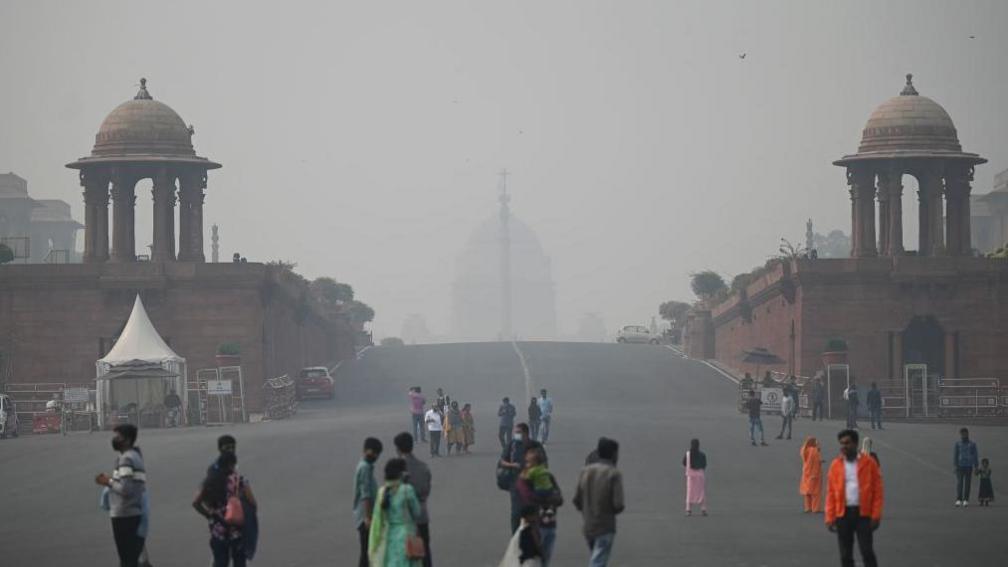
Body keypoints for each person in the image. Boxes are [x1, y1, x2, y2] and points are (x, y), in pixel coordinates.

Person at [825, 429, 883, 567]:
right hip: (843, 514)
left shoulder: (869, 464)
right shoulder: (835, 465)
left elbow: (877, 492)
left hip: (863, 514)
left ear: (856, 444)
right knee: (845, 555)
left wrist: (876, 515)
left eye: (847, 443)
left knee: (867, 551)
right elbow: (831, 493)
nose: (844, 446)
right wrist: (829, 517)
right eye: (842, 443)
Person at [95, 424, 147, 567]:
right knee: (131, 558)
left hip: (125, 514)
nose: (115, 440)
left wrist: (108, 481)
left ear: (128, 440)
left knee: (127, 559)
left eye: (118, 437)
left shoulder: (126, 459)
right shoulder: (135, 456)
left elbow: (125, 489)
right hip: (133, 512)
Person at [193, 452, 257, 567]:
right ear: (231, 465)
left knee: (220, 562)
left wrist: (209, 515)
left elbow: (196, 503)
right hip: (237, 531)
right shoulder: (239, 480)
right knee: (239, 562)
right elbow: (253, 503)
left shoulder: (210, 481)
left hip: (218, 531)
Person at [573, 437, 624, 567]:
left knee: (597, 557)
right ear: (613, 454)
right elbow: (618, 504)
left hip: (588, 525)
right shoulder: (613, 473)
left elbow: (577, 500)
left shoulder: (585, 471)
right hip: (605, 525)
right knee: (599, 560)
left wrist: (587, 509)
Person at [368, 458, 423, 567]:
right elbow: (417, 512)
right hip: (406, 534)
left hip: (388, 535)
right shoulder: (407, 490)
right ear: (402, 473)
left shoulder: (382, 491)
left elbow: (378, 517)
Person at [516, 446, 561, 565]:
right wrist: (547, 499)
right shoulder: (524, 480)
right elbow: (527, 498)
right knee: (532, 560)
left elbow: (559, 499)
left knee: (545, 559)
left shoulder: (548, 477)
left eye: (529, 462)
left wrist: (547, 498)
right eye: (526, 462)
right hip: (532, 526)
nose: (526, 465)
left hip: (549, 523)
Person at [500, 423, 546, 533]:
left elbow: (544, 465)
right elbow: (502, 461)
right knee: (516, 513)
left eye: (518, 432)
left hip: (533, 484)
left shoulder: (536, 446)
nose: (516, 434)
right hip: (516, 484)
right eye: (516, 432)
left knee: (533, 512)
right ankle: (516, 538)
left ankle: (534, 539)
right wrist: (513, 465)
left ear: (526, 433)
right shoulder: (512, 445)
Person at [395, 433, 433, 567]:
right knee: (424, 552)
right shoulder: (423, 467)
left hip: (404, 518)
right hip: (422, 514)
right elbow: (427, 490)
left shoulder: (397, 469)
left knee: (406, 555)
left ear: (398, 449)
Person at [353, 437, 383, 566]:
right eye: (374, 453)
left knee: (367, 550)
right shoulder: (365, 468)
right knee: (367, 551)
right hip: (365, 516)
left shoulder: (365, 465)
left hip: (365, 514)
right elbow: (365, 494)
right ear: (367, 451)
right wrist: (367, 517)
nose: (375, 456)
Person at [954, 427, 979, 507]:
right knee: (960, 483)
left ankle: (966, 499)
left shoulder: (972, 444)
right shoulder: (957, 444)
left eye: (965, 434)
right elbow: (955, 455)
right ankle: (958, 499)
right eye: (962, 434)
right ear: (960, 434)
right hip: (960, 465)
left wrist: (976, 466)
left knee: (967, 484)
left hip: (968, 465)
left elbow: (975, 455)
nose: (963, 435)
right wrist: (955, 465)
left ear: (967, 434)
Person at [682, 438, 707, 516]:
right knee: (701, 492)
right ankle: (703, 509)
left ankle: (688, 509)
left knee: (689, 492)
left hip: (691, 476)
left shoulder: (688, 454)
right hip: (700, 475)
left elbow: (684, 463)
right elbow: (704, 464)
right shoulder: (702, 454)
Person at [800, 437, 823, 513]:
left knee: (807, 492)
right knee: (816, 492)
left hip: (806, 473)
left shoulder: (804, 450)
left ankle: (808, 507)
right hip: (814, 473)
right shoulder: (815, 451)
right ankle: (815, 508)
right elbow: (817, 460)